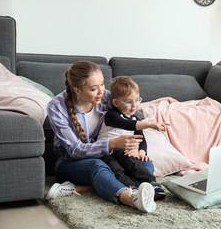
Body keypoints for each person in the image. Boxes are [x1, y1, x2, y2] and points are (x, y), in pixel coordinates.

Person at [45, 61, 156, 213]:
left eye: (102, 84)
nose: (101, 92)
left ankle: (83, 188)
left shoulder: (107, 98)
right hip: (71, 163)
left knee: (145, 165)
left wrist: (139, 150)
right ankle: (130, 198)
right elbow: (75, 150)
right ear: (77, 90)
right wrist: (112, 144)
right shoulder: (56, 107)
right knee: (97, 166)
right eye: (93, 88)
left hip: (110, 158)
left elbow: (132, 120)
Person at [97, 76, 168, 200]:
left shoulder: (135, 118)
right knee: (117, 170)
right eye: (129, 101)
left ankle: (151, 184)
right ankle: (132, 189)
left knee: (135, 163)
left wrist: (140, 152)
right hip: (106, 151)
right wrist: (150, 124)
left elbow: (141, 139)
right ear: (116, 103)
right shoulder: (111, 115)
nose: (134, 105)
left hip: (124, 151)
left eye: (137, 100)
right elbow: (127, 124)